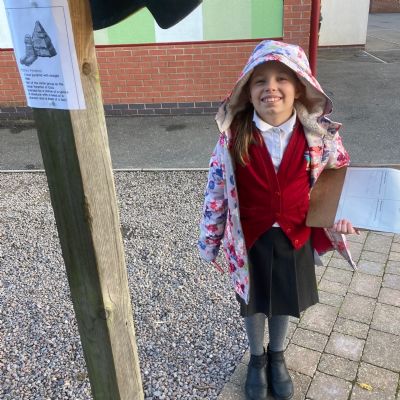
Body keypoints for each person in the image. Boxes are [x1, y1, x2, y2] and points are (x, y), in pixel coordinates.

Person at [198, 40, 358, 400]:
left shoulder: (319, 137)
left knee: (284, 298)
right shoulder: (231, 139)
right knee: (253, 302)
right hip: (250, 240)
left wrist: (344, 215)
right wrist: (210, 240)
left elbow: (341, 178)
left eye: (282, 78)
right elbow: (216, 190)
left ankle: (277, 354)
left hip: (294, 236)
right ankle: (257, 357)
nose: (271, 87)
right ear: (247, 91)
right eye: (260, 80)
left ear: (299, 87)